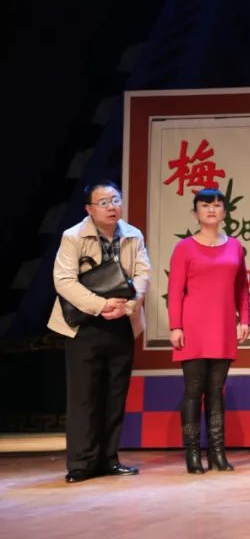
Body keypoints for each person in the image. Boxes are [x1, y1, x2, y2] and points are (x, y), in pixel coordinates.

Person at [50, 181, 150, 483]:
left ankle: (109, 459)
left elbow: (143, 273)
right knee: (84, 397)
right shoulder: (73, 236)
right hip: (84, 325)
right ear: (89, 209)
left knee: (114, 395)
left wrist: (128, 305)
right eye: (103, 202)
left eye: (115, 200)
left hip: (122, 322)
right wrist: (101, 304)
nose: (111, 207)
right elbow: (63, 281)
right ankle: (81, 463)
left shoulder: (133, 235)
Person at [168, 188, 250, 474]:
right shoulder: (184, 248)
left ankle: (217, 452)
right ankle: (192, 453)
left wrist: (244, 319)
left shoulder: (235, 247)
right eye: (205, 205)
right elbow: (175, 290)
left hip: (223, 326)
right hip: (192, 327)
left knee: (216, 391)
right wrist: (175, 326)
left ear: (224, 212)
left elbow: (242, 287)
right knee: (194, 391)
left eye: (216, 205)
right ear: (195, 213)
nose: (211, 209)